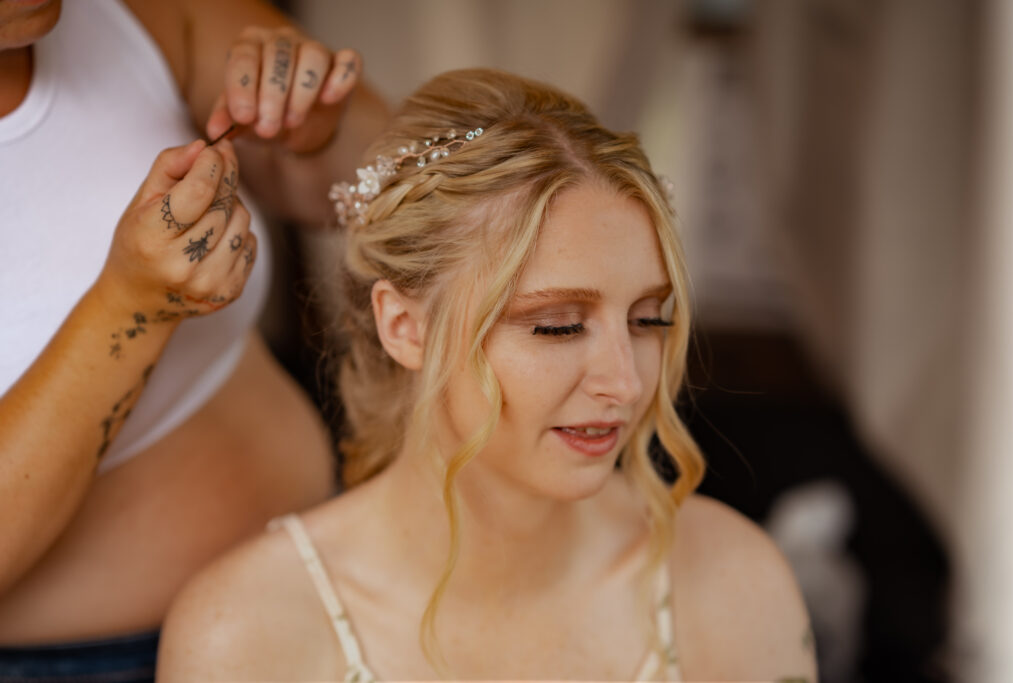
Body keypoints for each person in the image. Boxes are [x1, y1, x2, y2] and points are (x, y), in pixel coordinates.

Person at [156, 68, 819, 682]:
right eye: (558, 324)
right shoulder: (244, 634)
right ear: (405, 326)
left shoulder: (730, 579)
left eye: (647, 319)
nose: (625, 383)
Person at [0, 0, 386, 678]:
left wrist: (314, 131)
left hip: (327, 586)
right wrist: (129, 309)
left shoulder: (126, 13)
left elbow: (395, 175)